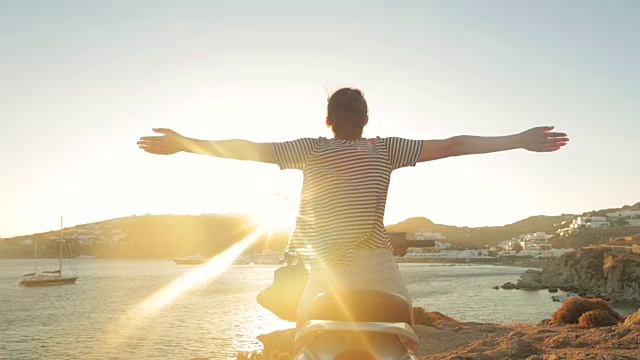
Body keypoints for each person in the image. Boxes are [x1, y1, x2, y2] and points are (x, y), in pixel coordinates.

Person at [137, 87, 569, 353]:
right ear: (366, 120)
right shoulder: (386, 149)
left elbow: (247, 149)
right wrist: (519, 141)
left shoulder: (309, 149)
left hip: (318, 264)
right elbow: (455, 144)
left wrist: (185, 144)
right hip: (375, 261)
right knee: (402, 335)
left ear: (328, 121)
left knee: (310, 338)